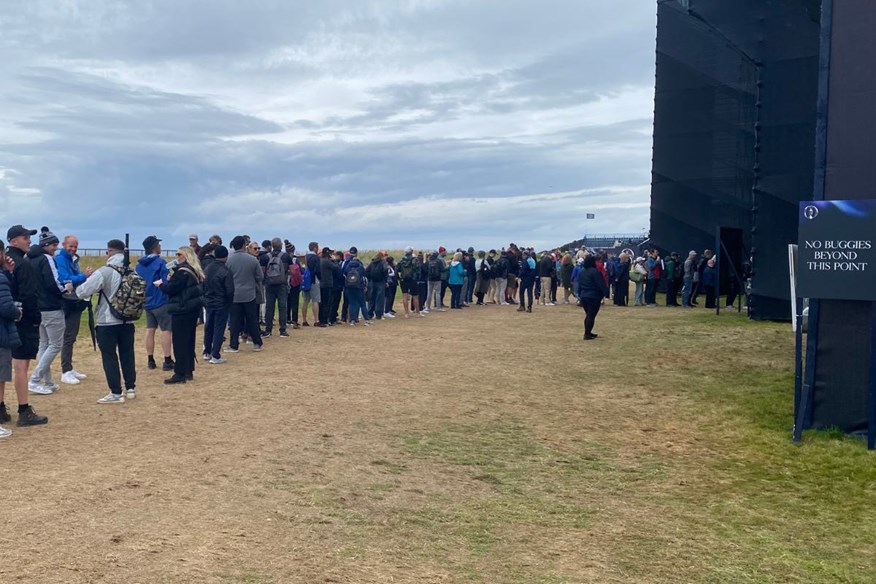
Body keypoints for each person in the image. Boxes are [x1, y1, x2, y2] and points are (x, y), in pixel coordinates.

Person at [75, 239, 137, 403]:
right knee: (127, 354)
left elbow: (83, 291)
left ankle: (116, 392)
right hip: (128, 320)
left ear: (109, 252)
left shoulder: (105, 271)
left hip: (107, 321)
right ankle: (130, 387)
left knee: (109, 356)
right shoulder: (131, 271)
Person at [1, 240, 46, 435]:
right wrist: (29, 316)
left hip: (8, 326)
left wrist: (9, 273)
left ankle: (2, 408)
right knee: (20, 367)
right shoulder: (24, 264)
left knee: (5, 371)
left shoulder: (10, 268)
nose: (29, 240)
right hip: (14, 325)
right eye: (25, 236)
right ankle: (24, 409)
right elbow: (20, 297)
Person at [27, 227, 72, 394]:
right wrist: (65, 289)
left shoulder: (30, 258)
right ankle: (35, 379)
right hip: (51, 307)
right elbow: (53, 282)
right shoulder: (46, 259)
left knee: (44, 344)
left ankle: (48, 381)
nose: (56, 248)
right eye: (53, 245)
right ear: (46, 245)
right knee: (55, 345)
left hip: (38, 308)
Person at [157, 246, 204, 384]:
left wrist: (161, 285)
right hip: (192, 309)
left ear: (186, 255)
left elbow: (172, 289)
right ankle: (188, 370)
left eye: (179, 254)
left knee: (180, 342)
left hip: (181, 309)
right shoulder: (194, 270)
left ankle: (180, 373)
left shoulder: (182, 272)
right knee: (189, 340)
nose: (177, 256)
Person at [55, 235, 93, 385]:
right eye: (70, 246)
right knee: (68, 336)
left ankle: (69, 368)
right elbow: (65, 278)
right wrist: (84, 275)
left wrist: (82, 276)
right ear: (63, 245)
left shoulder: (72, 259)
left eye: (75, 247)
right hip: (67, 302)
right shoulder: (60, 260)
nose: (73, 249)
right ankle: (65, 371)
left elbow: (74, 277)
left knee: (72, 336)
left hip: (74, 301)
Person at [136, 235, 175, 371]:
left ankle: (150, 359)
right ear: (154, 247)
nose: (160, 247)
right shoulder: (160, 262)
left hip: (147, 300)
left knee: (150, 329)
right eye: (158, 245)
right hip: (161, 299)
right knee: (166, 330)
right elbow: (166, 280)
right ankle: (167, 359)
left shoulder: (139, 265)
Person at [226, 236, 265, 353]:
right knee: (252, 319)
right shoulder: (253, 260)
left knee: (234, 320)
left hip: (235, 295)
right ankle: (257, 343)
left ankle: (233, 345)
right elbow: (260, 277)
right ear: (244, 245)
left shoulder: (229, 261)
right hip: (249, 294)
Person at [203, 245, 234, 364]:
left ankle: (207, 351)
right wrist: (229, 302)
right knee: (219, 329)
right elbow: (230, 290)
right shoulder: (226, 271)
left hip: (209, 302)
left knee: (208, 327)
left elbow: (203, 285)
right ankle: (215, 354)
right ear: (226, 256)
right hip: (221, 303)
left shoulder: (207, 268)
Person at [261, 238, 291, 338]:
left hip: (269, 284)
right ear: (280, 245)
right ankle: (282, 330)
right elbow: (292, 270)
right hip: (282, 284)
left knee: (270, 307)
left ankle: (268, 330)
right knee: (282, 307)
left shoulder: (265, 257)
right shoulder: (286, 256)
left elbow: (263, 271)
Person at [578, 254, 610, 340]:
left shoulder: (582, 272)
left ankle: (588, 332)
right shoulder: (595, 272)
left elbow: (579, 285)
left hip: (584, 296)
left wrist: (579, 296)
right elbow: (601, 284)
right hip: (594, 296)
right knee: (591, 316)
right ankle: (587, 334)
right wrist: (606, 293)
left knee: (588, 315)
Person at [342, 247, 368, 325]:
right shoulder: (360, 266)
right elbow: (364, 275)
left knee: (352, 303)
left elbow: (344, 274)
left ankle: (352, 320)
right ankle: (366, 320)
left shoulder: (347, 265)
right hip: (359, 287)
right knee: (362, 304)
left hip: (349, 287)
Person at [301, 242, 321, 327]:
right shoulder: (316, 258)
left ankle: (304, 320)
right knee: (315, 300)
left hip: (306, 281)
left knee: (305, 300)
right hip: (314, 281)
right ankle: (316, 320)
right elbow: (317, 270)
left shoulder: (305, 257)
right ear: (315, 248)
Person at [396, 247, 421, 318]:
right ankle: (417, 312)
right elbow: (418, 269)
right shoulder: (415, 260)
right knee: (415, 296)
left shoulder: (401, 260)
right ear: (411, 251)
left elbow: (397, 269)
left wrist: (399, 278)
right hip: (413, 279)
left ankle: (406, 313)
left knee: (405, 296)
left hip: (403, 280)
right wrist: (417, 278)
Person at [318, 247, 339, 326]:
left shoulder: (320, 260)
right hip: (327, 284)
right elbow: (336, 267)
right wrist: (335, 260)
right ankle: (325, 320)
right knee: (327, 302)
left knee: (322, 302)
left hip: (321, 283)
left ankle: (321, 319)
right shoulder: (327, 261)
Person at [366, 251, 388, 320]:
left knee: (371, 299)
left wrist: (369, 279)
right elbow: (385, 270)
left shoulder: (372, 262)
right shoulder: (383, 262)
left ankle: (370, 314)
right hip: (380, 282)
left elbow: (366, 271)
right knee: (380, 299)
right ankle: (378, 315)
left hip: (372, 282)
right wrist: (385, 280)